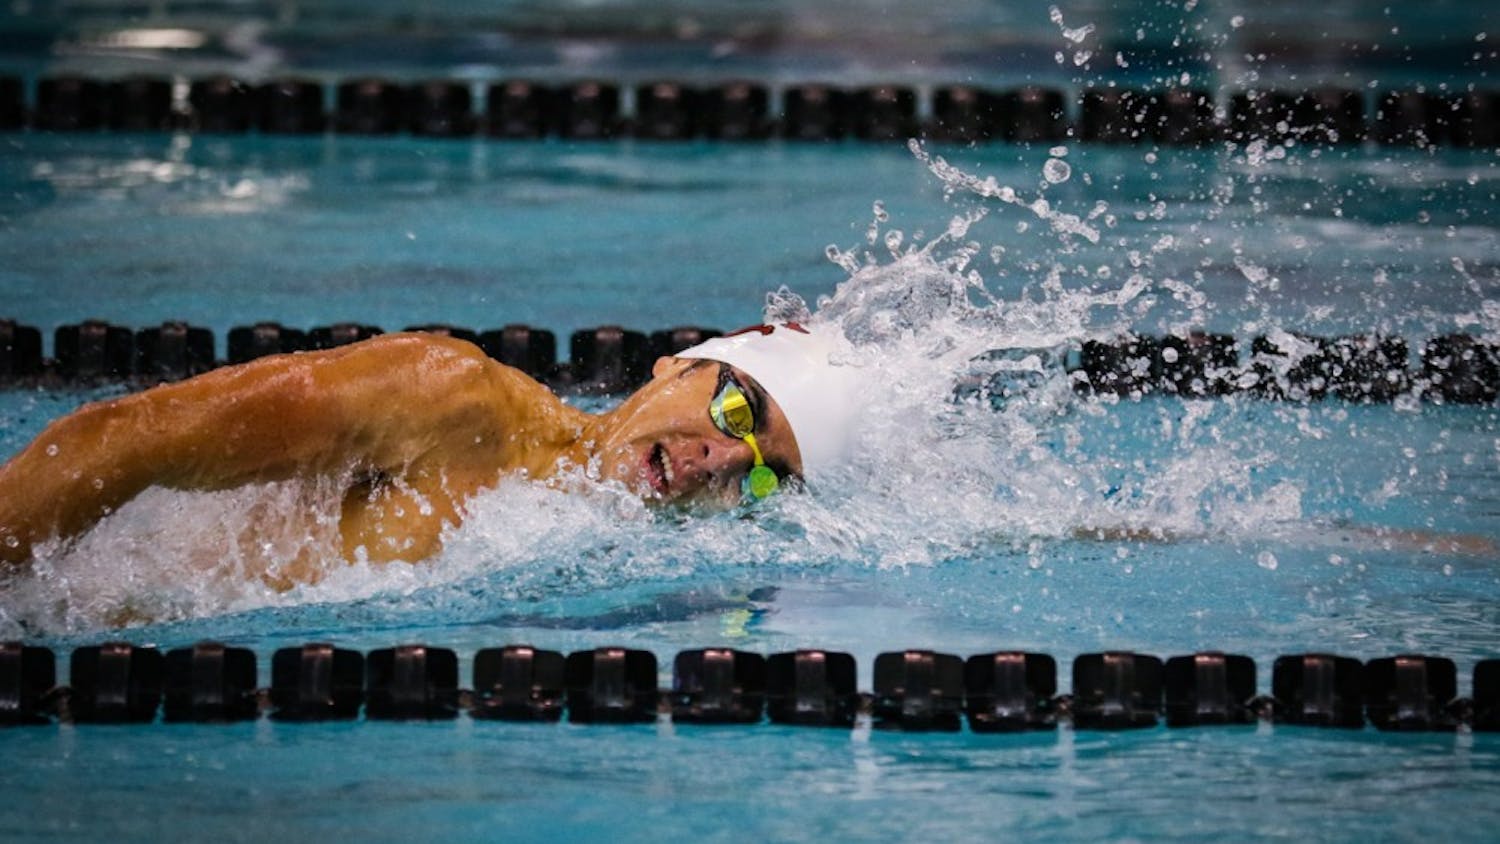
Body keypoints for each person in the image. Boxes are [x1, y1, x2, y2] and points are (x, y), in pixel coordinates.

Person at [0, 323, 860, 589]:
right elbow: (115, 443)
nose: (718, 457)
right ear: (673, 363)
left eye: (759, 472)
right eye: (736, 406)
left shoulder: (615, 561)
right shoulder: (448, 399)